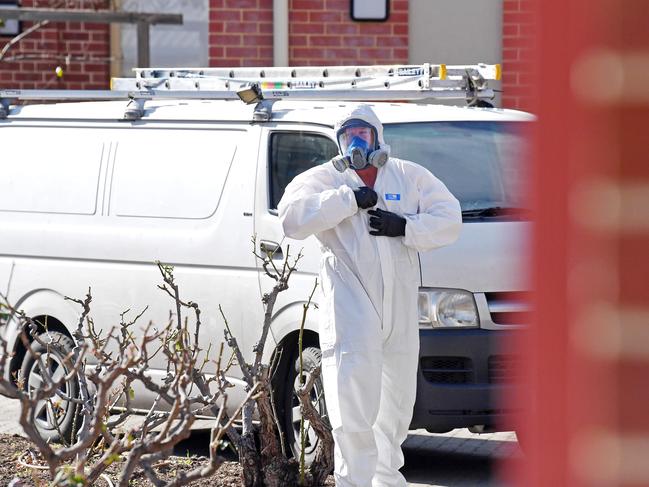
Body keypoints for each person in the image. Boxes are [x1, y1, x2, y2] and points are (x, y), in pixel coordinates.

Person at [278, 104, 462, 487]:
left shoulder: (408, 176)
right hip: (351, 308)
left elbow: (449, 218)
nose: (356, 143)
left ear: (378, 136)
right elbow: (291, 219)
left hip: (399, 310)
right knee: (353, 404)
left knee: (395, 406)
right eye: (348, 136)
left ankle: (387, 482)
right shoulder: (325, 179)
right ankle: (354, 483)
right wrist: (345, 201)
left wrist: (406, 227)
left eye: (363, 134)